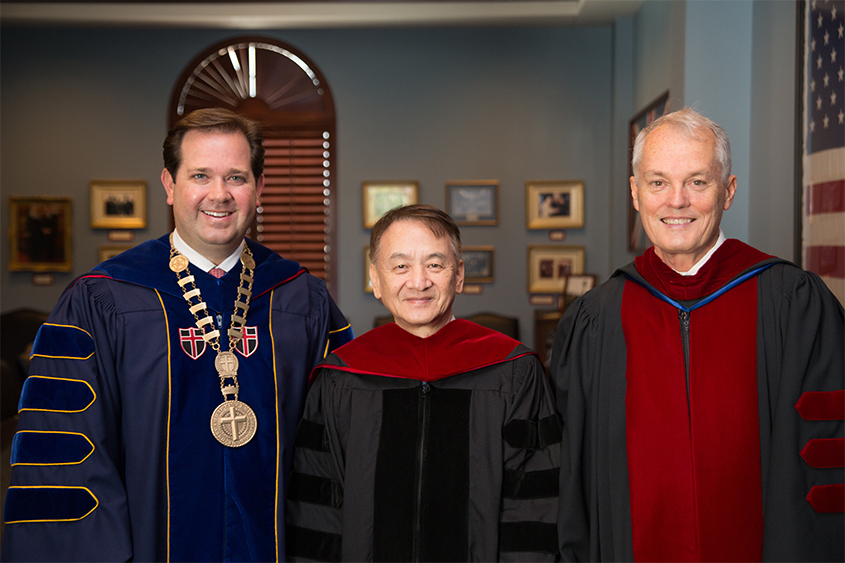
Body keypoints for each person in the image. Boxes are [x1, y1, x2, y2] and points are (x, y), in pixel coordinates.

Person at [1, 108, 352, 562]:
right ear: (170, 185)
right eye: (200, 175)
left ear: (259, 188)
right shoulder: (104, 300)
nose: (219, 195)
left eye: (237, 178)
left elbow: (333, 449)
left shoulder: (302, 298)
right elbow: (66, 454)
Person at [551, 107, 844, 561]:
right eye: (658, 182)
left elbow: (824, 470)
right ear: (635, 193)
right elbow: (573, 478)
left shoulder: (793, 305)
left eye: (698, 181)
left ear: (728, 191)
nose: (677, 200)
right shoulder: (598, 320)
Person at [286, 204, 561, 561]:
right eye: (400, 266)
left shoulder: (513, 373)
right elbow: (317, 509)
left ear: (459, 275)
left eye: (435, 264)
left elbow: (534, 506)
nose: (418, 282)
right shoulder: (341, 378)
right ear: (375, 278)